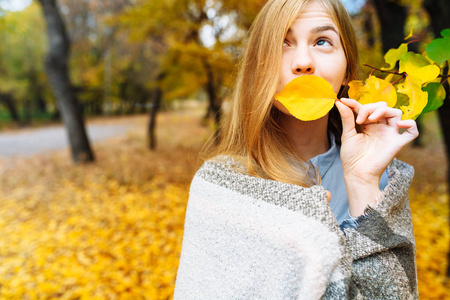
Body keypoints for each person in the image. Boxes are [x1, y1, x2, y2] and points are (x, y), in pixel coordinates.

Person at [174, 0, 419, 298]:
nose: (303, 62)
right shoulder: (219, 187)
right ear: (258, 67)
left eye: (322, 41)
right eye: (282, 42)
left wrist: (363, 182)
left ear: (346, 72)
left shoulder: (383, 181)